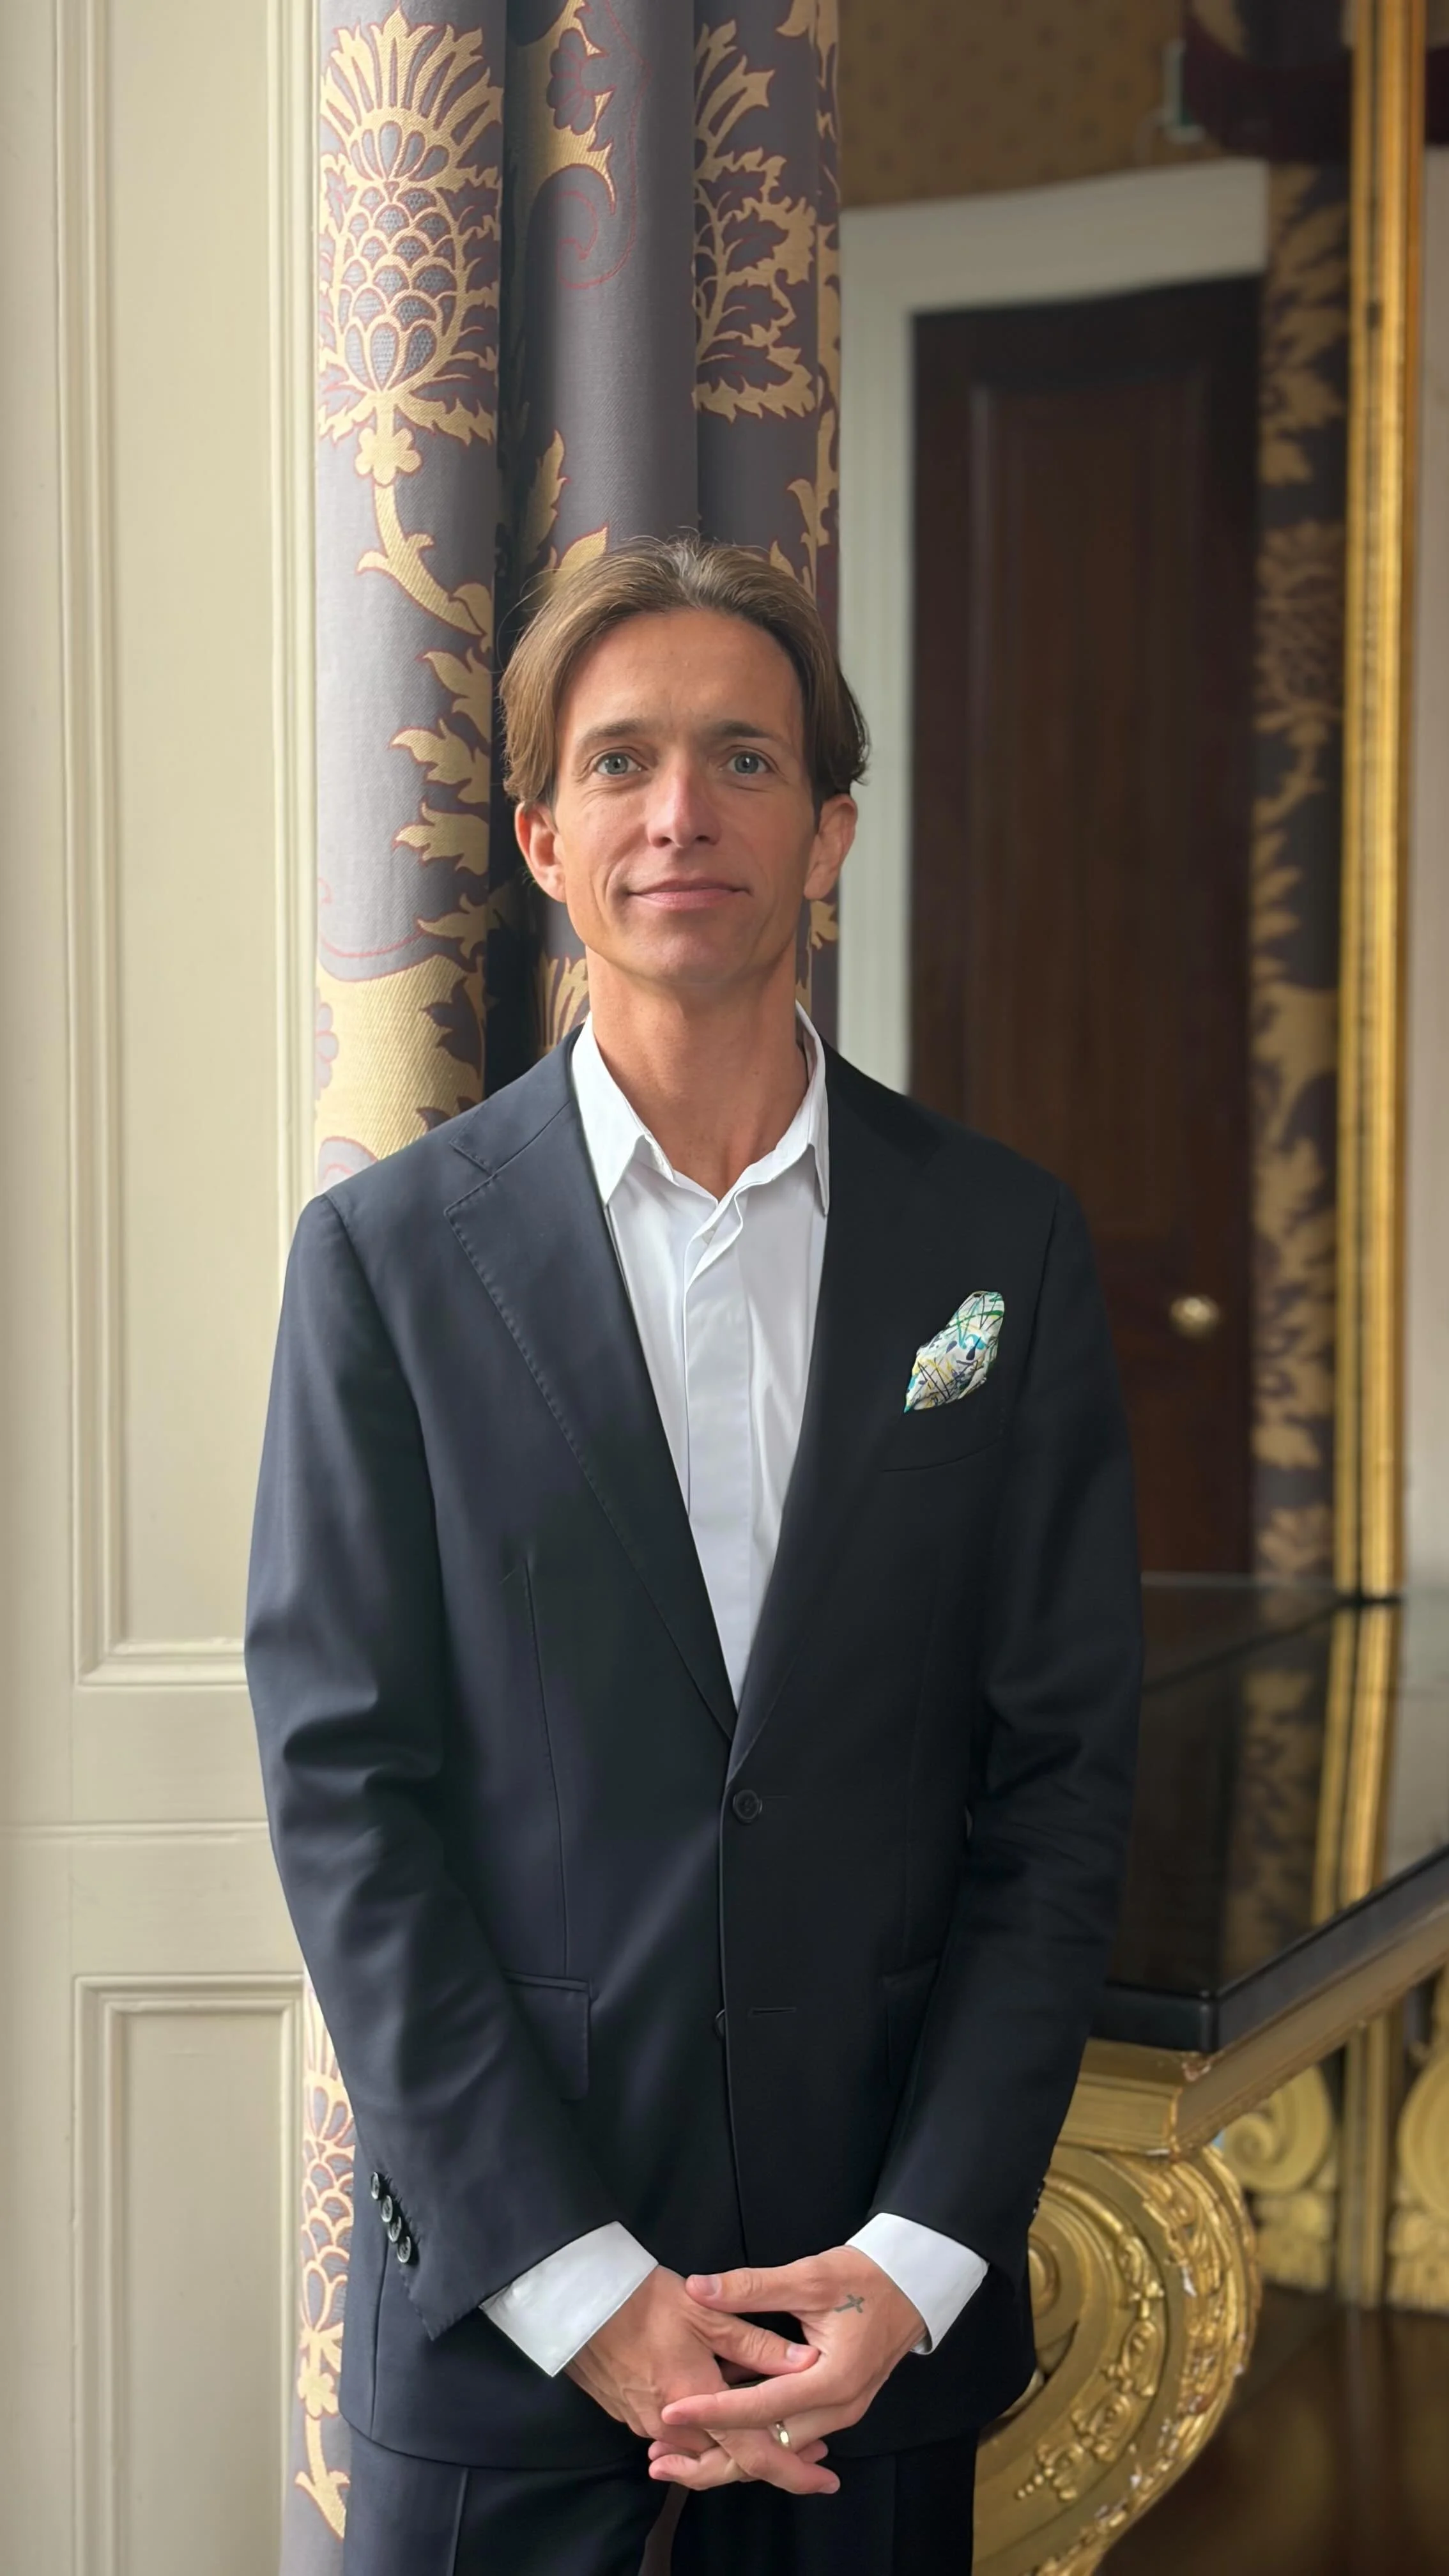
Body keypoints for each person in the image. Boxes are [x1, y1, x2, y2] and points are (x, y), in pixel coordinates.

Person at [246, 535, 1141, 2576]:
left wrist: (918, 2255)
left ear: (826, 833)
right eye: (621, 761)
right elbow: (344, 1801)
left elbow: (1060, 1786)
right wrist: (573, 2285)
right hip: (510, 2330)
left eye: (743, 759)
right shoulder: (384, 1264)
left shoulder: (997, 1244)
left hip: (866, 2325)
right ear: (544, 842)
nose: (681, 811)